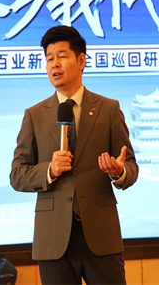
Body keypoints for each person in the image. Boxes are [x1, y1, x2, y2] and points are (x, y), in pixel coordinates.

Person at [10, 25, 138, 285]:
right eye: (49, 59)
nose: (54, 64)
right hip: (53, 239)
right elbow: (17, 175)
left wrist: (119, 172)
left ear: (81, 61)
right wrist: (49, 170)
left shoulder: (109, 109)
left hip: (100, 236)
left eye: (61, 56)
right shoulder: (34, 115)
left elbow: (130, 166)